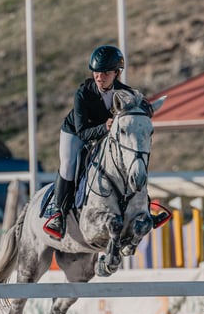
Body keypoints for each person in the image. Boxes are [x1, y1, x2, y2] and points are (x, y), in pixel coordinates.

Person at [43, 44, 170, 239]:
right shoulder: (83, 94)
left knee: (131, 163)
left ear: (117, 73)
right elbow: (84, 131)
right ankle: (59, 215)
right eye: (96, 72)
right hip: (76, 132)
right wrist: (105, 127)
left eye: (104, 73)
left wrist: (147, 108)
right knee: (68, 165)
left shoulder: (126, 92)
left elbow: (139, 107)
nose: (99, 77)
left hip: (107, 134)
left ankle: (145, 208)